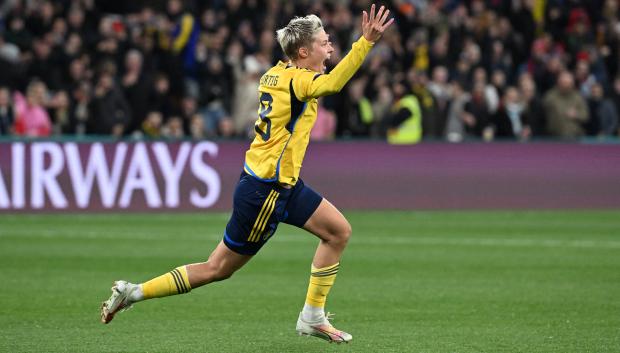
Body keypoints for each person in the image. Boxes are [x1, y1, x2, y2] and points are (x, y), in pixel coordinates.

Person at [100, 4, 393, 344]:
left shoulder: (276, 73)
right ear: (303, 51)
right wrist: (366, 42)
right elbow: (333, 84)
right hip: (266, 191)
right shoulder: (299, 80)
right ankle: (133, 292)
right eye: (324, 42)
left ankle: (312, 316)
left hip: (281, 184)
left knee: (338, 232)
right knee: (217, 268)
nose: (330, 48)